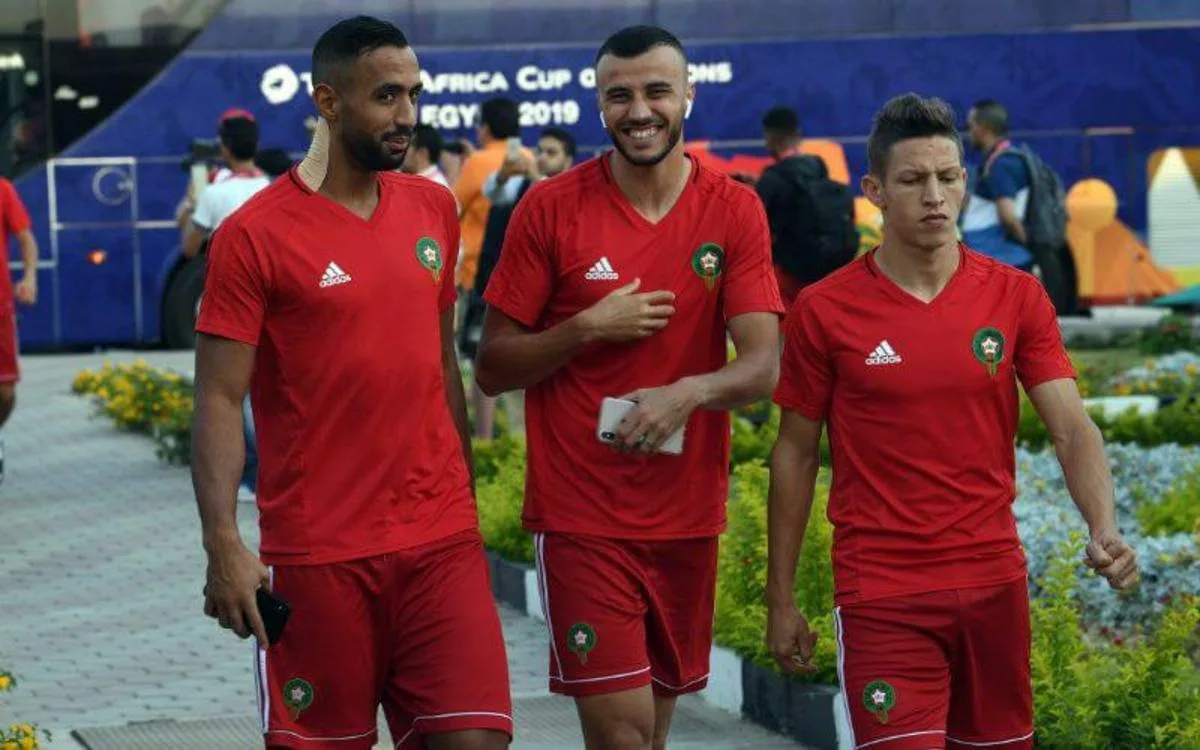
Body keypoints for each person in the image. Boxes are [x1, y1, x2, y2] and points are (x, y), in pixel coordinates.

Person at [765, 93, 1139, 750]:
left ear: (965, 182)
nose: (934, 196)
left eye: (947, 177)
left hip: (994, 586)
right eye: (913, 180)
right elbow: (794, 454)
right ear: (875, 191)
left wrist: (1103, 525)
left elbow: (1072, 428)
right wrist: (781, 597)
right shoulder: (825, 311)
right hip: (883, 594)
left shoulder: (1015, 295)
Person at [191, 15, 511, 750]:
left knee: (475, 740)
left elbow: (441, 362)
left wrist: (464, 496)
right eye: (386, 96)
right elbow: (217, 397)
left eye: (413, 95)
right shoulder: (253, 236)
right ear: (329, 102)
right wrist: (223, 544)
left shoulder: (431, 206)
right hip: (320, 555)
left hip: (440, 542)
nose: (406, 115)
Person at [476, 25, 784, 750]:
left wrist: (688, 392)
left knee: (651, 735)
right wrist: (585, 328)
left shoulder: (733, 209)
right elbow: (492, 365)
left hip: (686, 517)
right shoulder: (550, 208)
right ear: (599, 102)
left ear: (687, 96)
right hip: (582, 515)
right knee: (622, 737)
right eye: (619, 95)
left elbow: (763, 366)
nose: (638, 111)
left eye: (656, 92)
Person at [755, 105, 857, 308]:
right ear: (798, 135)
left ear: (769, 138)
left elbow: (757, 233)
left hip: (791, 279)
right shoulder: (817, 167)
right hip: (828, 271)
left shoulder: (771, 181)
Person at [179, 110, 271, 259]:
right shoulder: (272, 189)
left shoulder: (212, 193)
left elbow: (189, 248)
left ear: (224, 148)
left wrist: (194, 203)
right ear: (257, 146)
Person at [0, 177, 40, 485]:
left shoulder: (3, 190)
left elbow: (26, 238)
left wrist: (29, 277)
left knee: (5, 391)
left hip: (1, 308)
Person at [402, 124, 450, 188]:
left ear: (422, 153)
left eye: (407, 146)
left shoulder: (434, 187)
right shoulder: (422, 182)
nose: (401, 151)